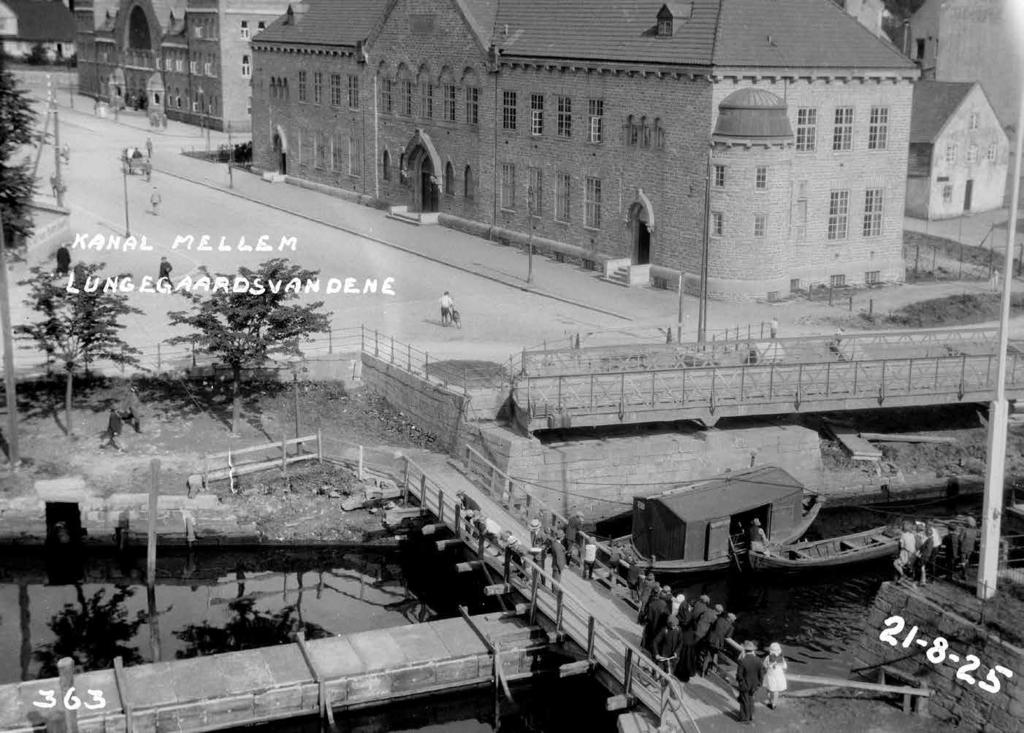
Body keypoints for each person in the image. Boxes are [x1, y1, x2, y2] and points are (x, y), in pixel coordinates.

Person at [735, 640, 764, 724]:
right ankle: (751, 715)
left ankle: (744, 717)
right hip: (755, 684)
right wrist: (759, 683)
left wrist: (740, 682)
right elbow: (761, 674)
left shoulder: (743, 661)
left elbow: (739, 675)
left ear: (745, 650)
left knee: (744, 701)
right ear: (753, 650)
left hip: (745, 683)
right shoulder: (758, 660)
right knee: (751, 699)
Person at [703, 610, 736, 676]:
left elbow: (713, 626)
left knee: (709, 654)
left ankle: (705, 670)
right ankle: (706, 670)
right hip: (718, 643)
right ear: (731, 620)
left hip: (711, 639)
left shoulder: (720, 619)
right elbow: (727, 636)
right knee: (711, 655)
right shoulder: (731, 627)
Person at [642, 587, 672, 655]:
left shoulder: (654, 602)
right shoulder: (666, 607)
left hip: (650, 628)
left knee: (646, 646)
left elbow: (648, 617)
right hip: (658, 630)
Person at [762, 642, 788, 710]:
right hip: (779, 676)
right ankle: (774, 704)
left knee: (769, 689)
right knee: (776, 690)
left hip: (770, 675)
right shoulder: (781, 658)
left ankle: (770, 702)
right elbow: (785, 667)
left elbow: (765, 666)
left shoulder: (768, 658)